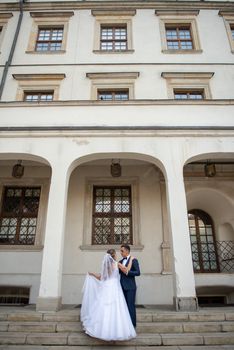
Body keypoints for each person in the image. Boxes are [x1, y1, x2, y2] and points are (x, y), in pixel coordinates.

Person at [80, 249, 136, 341]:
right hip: (115, 287)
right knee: (117, 308)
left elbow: (102, 277)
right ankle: (117, 331)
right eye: (116, 254)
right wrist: (131, 260)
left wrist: (92, 274)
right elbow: (127, 270)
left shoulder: (106, 265)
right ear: (113, 255)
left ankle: (102, 330)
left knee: (103, 307)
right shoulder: (116, 264)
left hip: (107, 287)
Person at [118, 244, 140, 327]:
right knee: (124, 306)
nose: (120, 252)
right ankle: (125, 324)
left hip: (130, 287)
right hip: (121, 287)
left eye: (122, 251)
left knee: (130, 305)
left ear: (127, 251)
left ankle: (132, 325)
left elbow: (138, 272)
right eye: (120, 251)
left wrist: (128, 272)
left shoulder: (134, 260)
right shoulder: (120, 262)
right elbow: (118, 273)